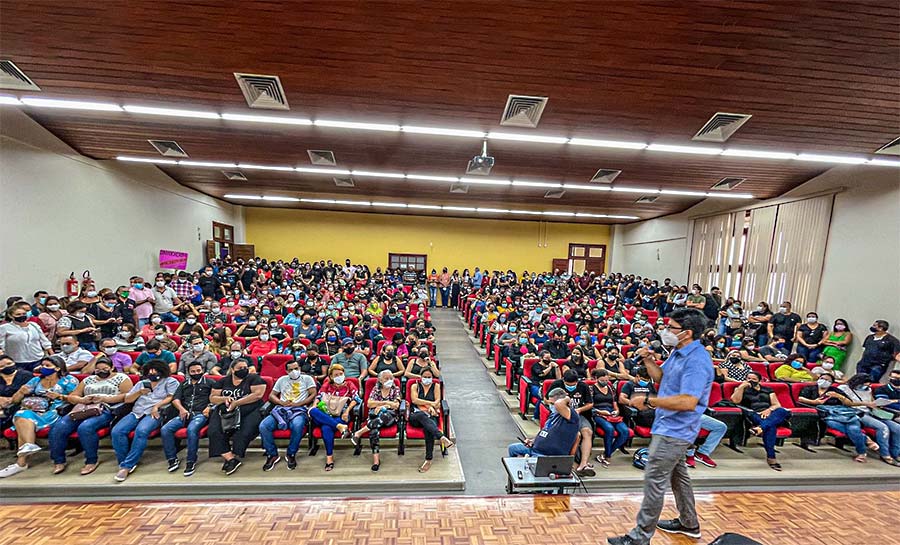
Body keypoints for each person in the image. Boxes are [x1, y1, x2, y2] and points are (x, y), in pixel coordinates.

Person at [607, 308, 713, 545]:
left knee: (654, 482)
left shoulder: (696, 361)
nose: (666, 331)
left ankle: (639, 538)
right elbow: (662, 378)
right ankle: (689, 523)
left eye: (671, 327)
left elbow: (688, 401)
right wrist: (647, 360)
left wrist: (648, 401)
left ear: (686, 332)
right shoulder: (679, 351)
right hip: (667, 425)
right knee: (679, 476)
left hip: (676, 431)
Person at [48, 357, 133, 475]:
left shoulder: (121, 378)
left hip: (106, 409)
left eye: (104, 369)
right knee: (59, 427)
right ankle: (59, 461)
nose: (100, 371)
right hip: (83, 408)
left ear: (112, 368)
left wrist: (105, 398)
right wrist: (82, 399)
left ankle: (91, 461)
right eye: (98, 369)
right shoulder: (89, 380)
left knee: (85, 427)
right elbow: (73, 396)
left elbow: (127, 396)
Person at [0, 356, 78, 478]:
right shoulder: (35, 380)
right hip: (34, 410)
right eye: (42, 365)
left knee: (22, 422)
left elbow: (75, 399)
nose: (43, 368)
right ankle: (28, 446)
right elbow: (15, 401)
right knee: (21, 415)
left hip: (55, 412)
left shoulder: (68, 381)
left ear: (57, 368)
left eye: (47, 366)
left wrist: (59, 396)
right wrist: (21, 392)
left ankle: (21, 463)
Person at [111, 359, 178, 481]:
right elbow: (128, 400)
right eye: (150, 372)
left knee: (141, 431)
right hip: (137, 411)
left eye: (155, 371)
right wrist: (139, 392)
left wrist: (156, 406)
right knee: (117, 431)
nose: (152, 374)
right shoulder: (141, 383)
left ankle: (127, 466)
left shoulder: (170, 381)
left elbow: (171, 397)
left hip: (156, 412)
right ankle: (125, 462)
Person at [208, 358, 266, 475]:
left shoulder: (254, 378)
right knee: (214, 431)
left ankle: (235, 455)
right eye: (240, 368)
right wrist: (224, 399)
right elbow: (212, 397)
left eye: (245, 368)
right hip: (226, 410)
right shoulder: (223, 381)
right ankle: (230, 459)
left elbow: (258, 395)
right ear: (232, 369)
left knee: (243, 432)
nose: (243, 370)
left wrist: (237, 402)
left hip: (250, 409)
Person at [797, 372, 870, 463]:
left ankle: (862, 450)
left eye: (828, 380)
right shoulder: (810, 388)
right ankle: (864, 445)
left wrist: (839, 396)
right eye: (823, 378)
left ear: (831, 383)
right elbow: (800, 399)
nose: (824, 381)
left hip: (844, 413)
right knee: (851, 430)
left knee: (854, 428)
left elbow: (849, 403)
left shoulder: (835, 390)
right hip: (828, 415)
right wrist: (814, 402)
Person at [259, 359, 317, 472]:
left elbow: (313, 393)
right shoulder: (282, 380)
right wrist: (281, 403)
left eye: (296, 369)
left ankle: (291, 453)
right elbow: (272, 396)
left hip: (299, 410)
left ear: (300, 369)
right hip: (281, 409)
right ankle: (272, 454)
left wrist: (299, 403)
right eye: (291, 370)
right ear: (286, 371)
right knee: (263, 426)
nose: (294, 371)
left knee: (297, 425)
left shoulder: (307, 379)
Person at [160, 362, 215, 476]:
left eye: (198, 371)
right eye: (193, 371)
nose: (196, 373)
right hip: (184, 413)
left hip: (200, 414)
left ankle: (191, 461)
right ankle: (172, 459)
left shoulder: (210, 383)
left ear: (202, 370)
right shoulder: (184, 384)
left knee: (191, 430)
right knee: (165, 429)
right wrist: (181, 409)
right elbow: (175, 399)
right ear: (188, 372)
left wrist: (209, 407)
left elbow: (215, 398)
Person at [731, 371, 790, 471]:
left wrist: (769, 410)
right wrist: (741, 387)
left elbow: (776, 404)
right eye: (748, 378)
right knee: (771, 428)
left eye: (753, 379)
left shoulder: (767, 390)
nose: (750, 381)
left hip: (771, 414)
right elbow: (735, 401)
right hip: (755, 413)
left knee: (782, 410)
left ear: (759, 380)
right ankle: (771, 458)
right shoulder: (741, 389)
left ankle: (760, 428)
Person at [838, 373, 900, 466]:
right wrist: (866, 403)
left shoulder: (868, 389)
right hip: (857, 412)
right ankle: (885, 454)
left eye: (868, 385)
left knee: (897, 428)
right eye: (864, 384)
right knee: (883, 427)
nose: (866, 387)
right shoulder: (843, 388)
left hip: (872, 411)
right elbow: (845, 403)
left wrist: (877, 404)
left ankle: (895, 453)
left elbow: (872, 401)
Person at [309, 364, 359, 471]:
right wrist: (314, 406)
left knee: (326, 427)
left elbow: (356, 399)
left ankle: (329, 458)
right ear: (331, 376)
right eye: (336, 375)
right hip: (326, 413)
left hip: (342, 415)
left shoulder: (350, 384)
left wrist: (347, 411)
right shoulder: (327, 385)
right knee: (313, 411)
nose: (339, 376)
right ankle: (340, 427)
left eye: (341, 374)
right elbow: (318, 397)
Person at [546, 369, 595, 476]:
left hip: (578, 414)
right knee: (573, 435)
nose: (571, 387)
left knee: (587, 432)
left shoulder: (583, 386)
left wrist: (579, 410)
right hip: (560, 415)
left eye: (573, 385)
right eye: (568, 385)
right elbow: (546, 399)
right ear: (563, 380)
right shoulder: (556, 384)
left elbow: (590, 404)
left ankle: (583, 463)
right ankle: (569, 463)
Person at [508, 387, 579, 458]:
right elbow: (544, 432)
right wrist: (532, 441)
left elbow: (558, 404)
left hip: (547, 455)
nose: (550, 406)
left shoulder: (571, 416)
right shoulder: (553, 415)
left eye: (552, 403)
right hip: (535, 448)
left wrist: (567, 398)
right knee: (512, 448)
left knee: (529, 462)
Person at [351, 370, 401, 472]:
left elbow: (396, 405)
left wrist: (382, 405)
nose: (390, 380)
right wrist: (386, 404)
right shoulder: (376, 389)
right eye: (386, 378)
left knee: (384, 416)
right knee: (374, 430)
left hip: (389, 416)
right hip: (374, 415)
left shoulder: (395, 389)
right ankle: (376, 461)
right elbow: (369, 404)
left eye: (391, 378)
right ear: (380, 380)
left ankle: (359, 432)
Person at [408, 368, 454, 472]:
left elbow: (438, 402)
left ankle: (428, 460)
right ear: (420, 377)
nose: (427, 379)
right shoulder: (415, 386)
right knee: (421, 416)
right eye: (425, 377)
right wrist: (429, 406)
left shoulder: (436, 386)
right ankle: (441, 437)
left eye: (429, 377)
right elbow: (414, 400)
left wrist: (430, 406)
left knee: (428, 429)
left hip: (431, 415)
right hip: (416, 415)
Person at [589, 368, 630, 466]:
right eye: (602, 381)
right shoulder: (591, 389)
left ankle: (606, 453)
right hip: (598, 413)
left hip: (612, 413)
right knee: (609, 429)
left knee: (625, 432)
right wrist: (601, 412)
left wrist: (617, 411)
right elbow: (590, 405)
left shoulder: (611, 388)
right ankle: (608, 456)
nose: (605, 382)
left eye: (607, 380)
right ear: (596, 379)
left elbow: (614, 402)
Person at [0, 301, 52, 371]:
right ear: (11, 316)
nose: (22, 316)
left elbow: (44, 341)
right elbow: (1, 345)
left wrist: (51, 354)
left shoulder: (34, 325)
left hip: (37, 359)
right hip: (17, 361)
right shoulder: (4, 328)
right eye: (18, 314)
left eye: (24, 314)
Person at [0, 355, 32, 431]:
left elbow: (30, 393)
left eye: (9, 363)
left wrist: (11, 400)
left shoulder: (26, 375)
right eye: (2, 366)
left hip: (20, 406)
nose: (7, 367)